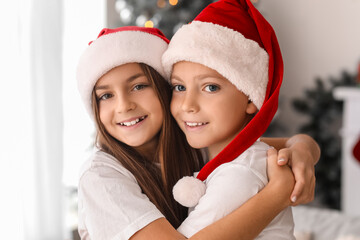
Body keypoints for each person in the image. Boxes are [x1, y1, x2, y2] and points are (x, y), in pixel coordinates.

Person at [76, 26, 319, 240]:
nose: (124, 106)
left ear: (165, 90)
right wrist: (275, 197)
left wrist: (302, 149)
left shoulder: (190, 142)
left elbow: (281, 145)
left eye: (138, 86)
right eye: (106, 96)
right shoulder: (101, 178)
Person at [162, 0, 301, 238]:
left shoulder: (240, 173)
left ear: (250, 99)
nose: (188, 105)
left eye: (211, 87)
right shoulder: (219, 157)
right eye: (179, 87)